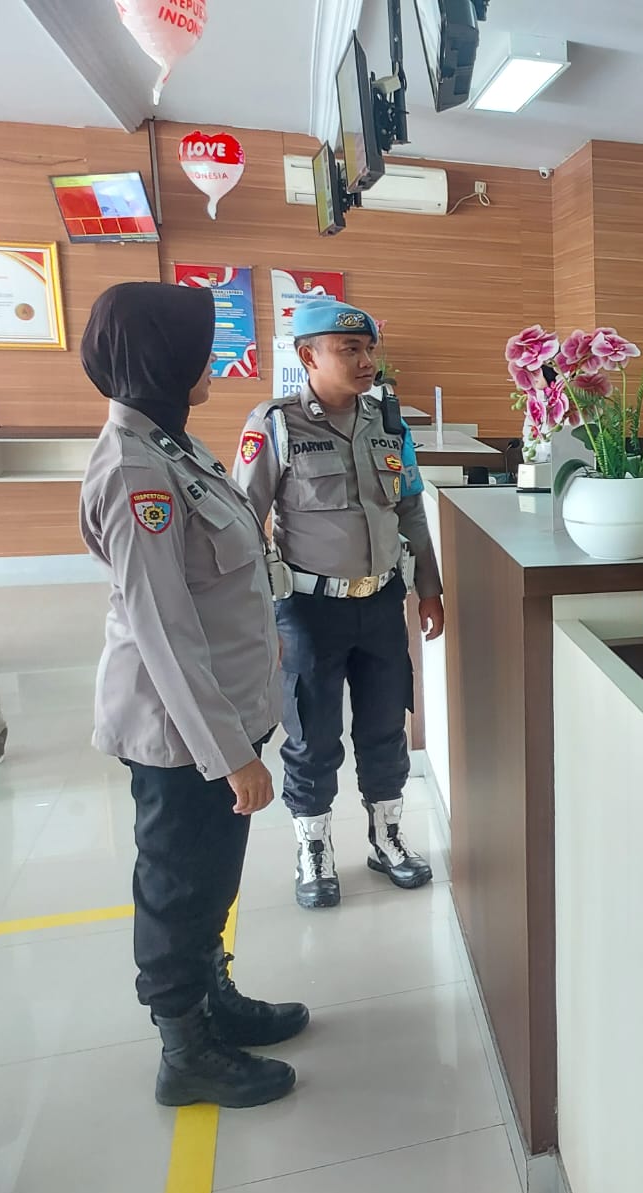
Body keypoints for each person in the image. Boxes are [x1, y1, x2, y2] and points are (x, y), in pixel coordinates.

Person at [79, 282, 308, 1108]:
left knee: (211, 876)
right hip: (183, 734)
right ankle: (186, 1050)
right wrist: (231, 756)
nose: (214, 360)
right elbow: (164, 631)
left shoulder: (172, 446)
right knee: (178, 886)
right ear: (160, 357)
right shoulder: (134, 470)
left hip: (220, 713)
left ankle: (214, 998)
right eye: (201, 348)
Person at [232, 300, 444, 910]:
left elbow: (409, 508)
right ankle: (313, 848)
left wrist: (429, 587)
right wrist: (258, 616)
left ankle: (387, 837)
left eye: (368, 349)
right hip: (309, 612)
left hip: (381, 603)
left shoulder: (388, 423)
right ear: (308, 356)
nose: (365, 360)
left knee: (385, 725)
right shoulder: (276, 424)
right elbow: (245, 522)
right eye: (350, 350)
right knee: (312, 734)